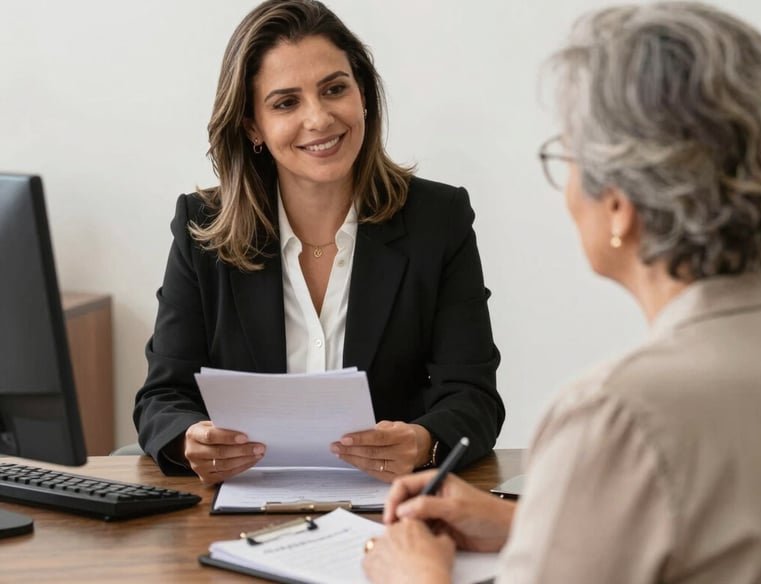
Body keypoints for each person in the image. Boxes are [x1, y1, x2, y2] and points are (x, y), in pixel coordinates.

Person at [363, 3, 761, 583]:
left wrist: (417, 576)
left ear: (620, 207)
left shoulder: (616, 417)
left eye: (570, 156)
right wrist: (534, 523)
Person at [133, 0, 505, 485]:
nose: (319, 118)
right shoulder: (202, 226)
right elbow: (161, 398)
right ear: (252, 126)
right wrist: (191, 439)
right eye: (286, 102)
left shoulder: (438, 219)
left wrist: (422, 442)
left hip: (390, 508)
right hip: (238, 509)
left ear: (363, 95)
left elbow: (472, 395)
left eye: (334, 89)